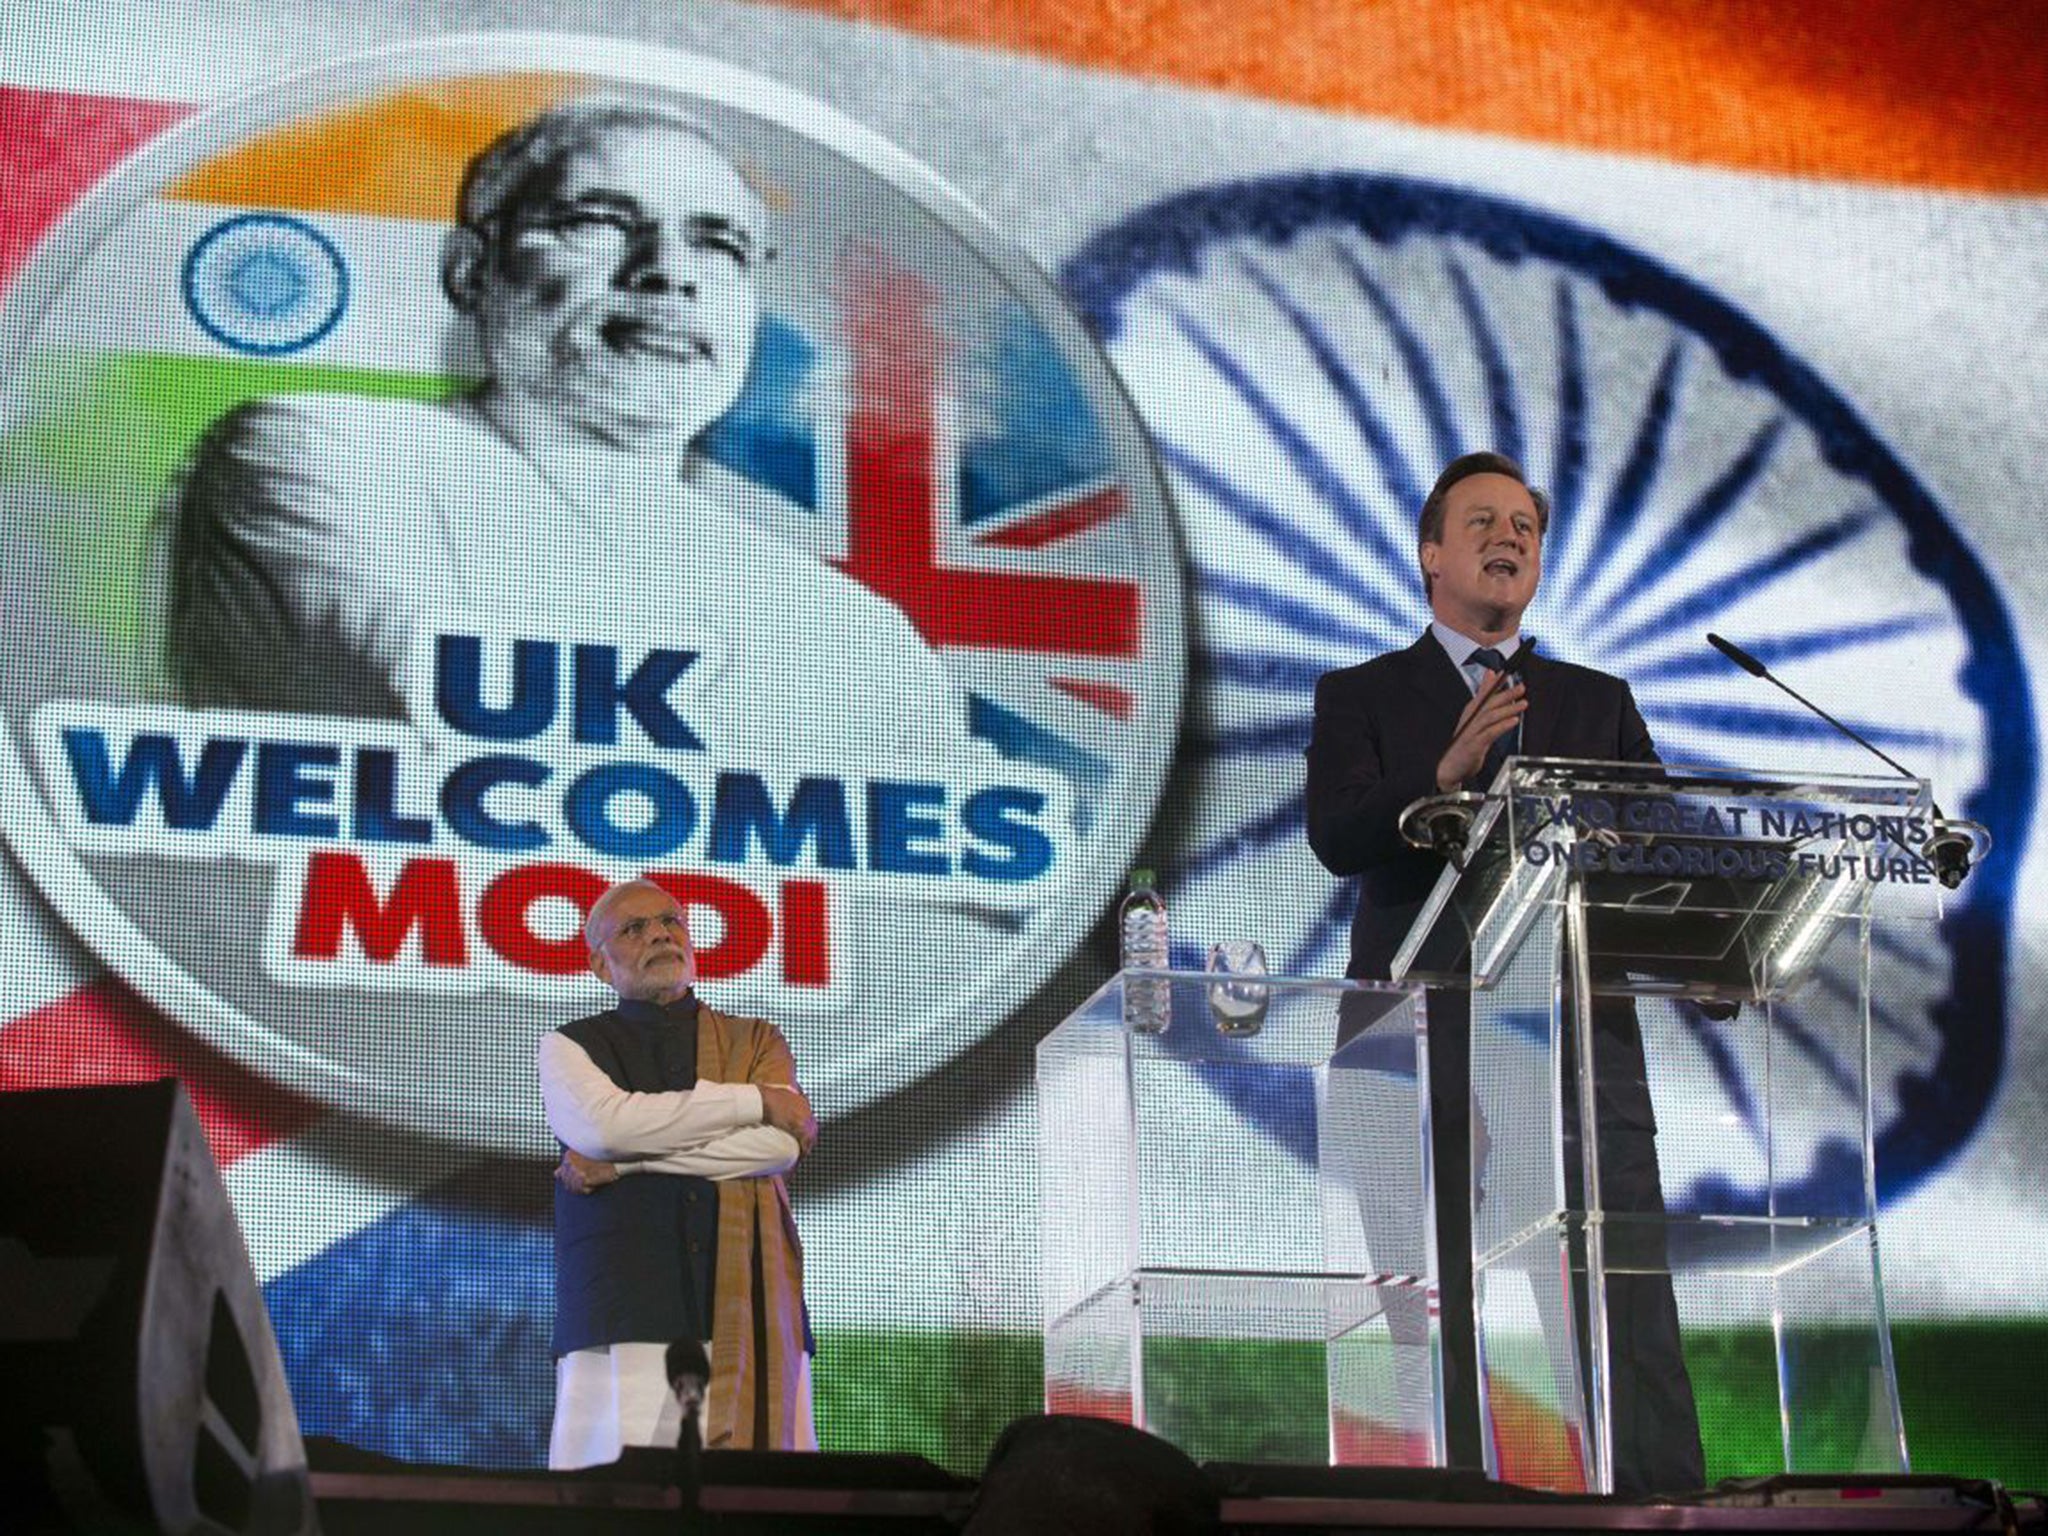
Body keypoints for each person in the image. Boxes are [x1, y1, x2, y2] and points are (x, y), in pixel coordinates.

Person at [154, 94, 966, 755]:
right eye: (597, 222)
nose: (668, 274)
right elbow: (450, 757)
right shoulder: (327, 454)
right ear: (470, 271)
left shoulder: (849, 628)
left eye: (718, 244)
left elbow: (996, 899)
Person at [1304, 452, 1705, 1495]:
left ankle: (1658, 1510)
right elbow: (1339, 837)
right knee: (1426, 1317)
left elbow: (1655, 861)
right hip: (1411, 1039)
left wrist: (1708, 950)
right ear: (1429, 553)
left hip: (1575, 1053)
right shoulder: (1362, 695)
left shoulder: (1594, 703)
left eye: (1524, 526)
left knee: (1619, 1313)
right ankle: (1441, 1508)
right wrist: (1433, 776)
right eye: (1482, 521)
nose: (1508, 538)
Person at [537, 877, 820, 1464]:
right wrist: (755, 1102)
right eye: (635, 928)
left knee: (758, 1501)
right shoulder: (569, 1047)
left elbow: (777, 1150)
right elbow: (605, 1129)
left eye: (671, 922)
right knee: (620, 1504)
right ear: (598, 964)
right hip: (624, 1312)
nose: (661, 934)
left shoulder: (756, 1040)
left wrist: (626, 1166)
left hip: (752, 1313)